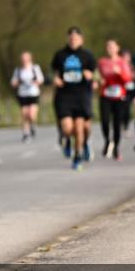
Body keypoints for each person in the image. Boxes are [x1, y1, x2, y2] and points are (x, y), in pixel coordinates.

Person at [51, 27, 97, 171]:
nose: (73, 40)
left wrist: (91, 77)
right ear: (68, 39)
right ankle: (68, 141)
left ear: (81, 40)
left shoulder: (87, 55)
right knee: (67, 128)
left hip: (82, 95)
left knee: (80, 128)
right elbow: (54, 72)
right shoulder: (60, 55)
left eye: (76, 38)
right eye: (71, 38)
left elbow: (96, 75)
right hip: (65, 95)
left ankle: (78, 156)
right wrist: (55, 79)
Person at [97, 39, 133, 160]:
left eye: (112, 46)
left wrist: (119, 73)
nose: (110, 48)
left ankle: (116, 148)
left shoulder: (123, 62)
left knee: (117, 124)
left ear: (117, 48)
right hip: (105, 96)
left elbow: (128, 80)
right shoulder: (102, 62)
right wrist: (99, 81)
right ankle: (107, 140)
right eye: (108, 46)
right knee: (105, 121)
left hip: (119, 97)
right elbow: (97, 76)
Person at [10, 51, 44, 143]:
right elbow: (13, 82)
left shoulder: (35, 68)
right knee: (24, 114)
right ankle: (26, 133)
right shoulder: (18, 70)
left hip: (33, 93)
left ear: (30, 58)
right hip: (22, 94)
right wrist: (16, 83)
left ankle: (33, 124)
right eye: (23, 58)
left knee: (31, 114)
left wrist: (35, 82)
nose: (24, 60)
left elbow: (41, 79)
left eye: (26, 58)